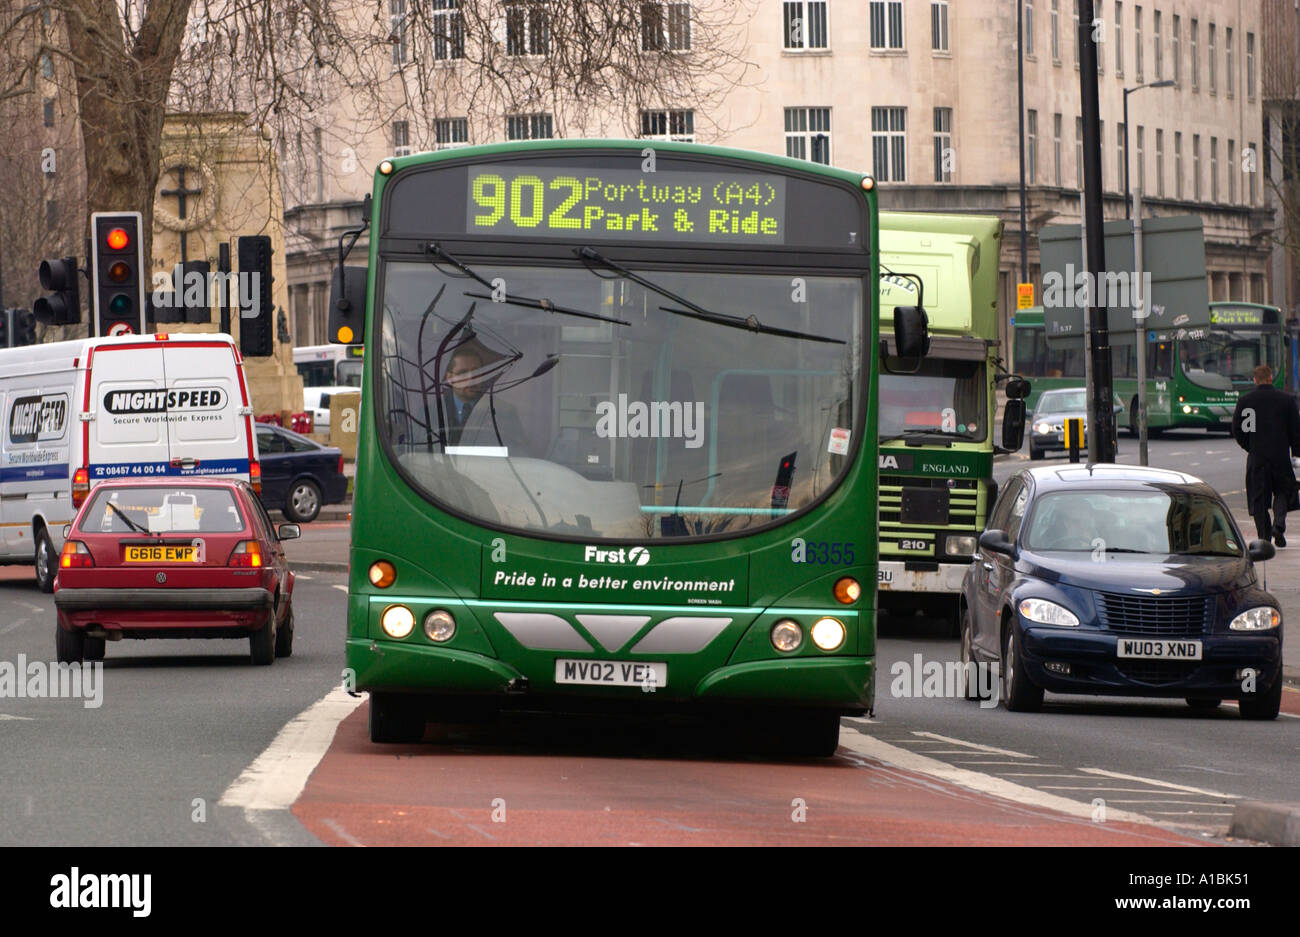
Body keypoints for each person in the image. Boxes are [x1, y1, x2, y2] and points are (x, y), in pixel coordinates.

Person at [1231, 364, 1300, 547]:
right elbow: (1295, 430)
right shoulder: (1286, 400)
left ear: (1255, 380)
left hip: (1257, 457)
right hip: (1280, 457)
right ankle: (1279, 524)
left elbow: (1239, 430)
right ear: (1271, 378)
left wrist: (1250, 446)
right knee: (1282, 492)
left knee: (1259, 499)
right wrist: (1296, 451)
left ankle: (1265, 537)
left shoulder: (1246, 401)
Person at [441, 346, 532, 454]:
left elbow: (520, 455)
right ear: (449, 377)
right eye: (463, 373)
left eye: (477, 372)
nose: (471, 379)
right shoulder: (430, 413)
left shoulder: (504, 412)